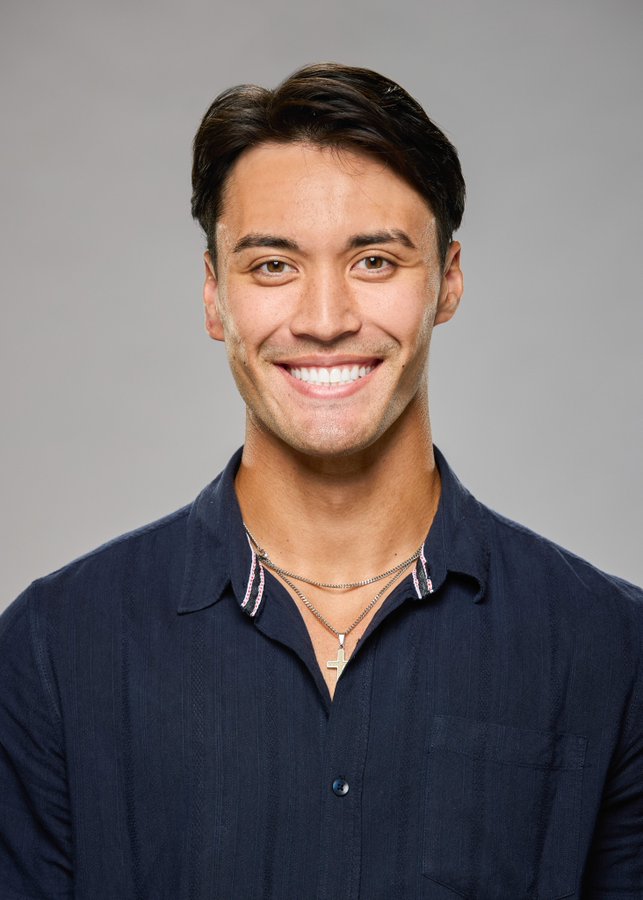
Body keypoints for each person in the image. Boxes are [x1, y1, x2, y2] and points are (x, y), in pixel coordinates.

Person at [0, 63, 641, 900]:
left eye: (375, 260)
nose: (326, 318)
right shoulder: (54, 648)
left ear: (447, 281)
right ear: (213, 296)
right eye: (272, 266)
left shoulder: (611, 651)